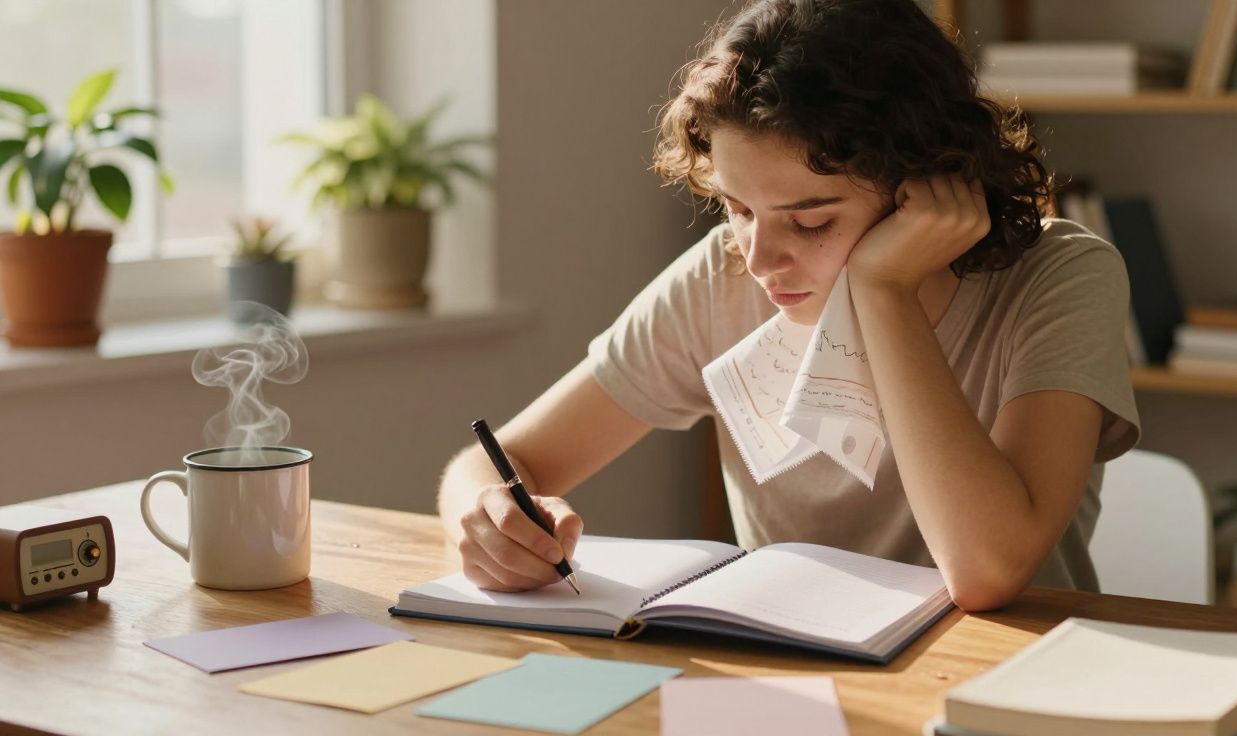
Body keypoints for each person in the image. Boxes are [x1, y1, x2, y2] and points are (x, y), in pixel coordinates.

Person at [437, 0, 1140, 612]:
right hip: (797, 688)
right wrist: (487, 517)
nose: (761, 258)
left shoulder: (1061, 278)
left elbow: (987, 571)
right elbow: (500, 460)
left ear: (924, 187)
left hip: (1005, 688)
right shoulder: (726, 274)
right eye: (738, 208)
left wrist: (883, 288)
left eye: (810, 222)